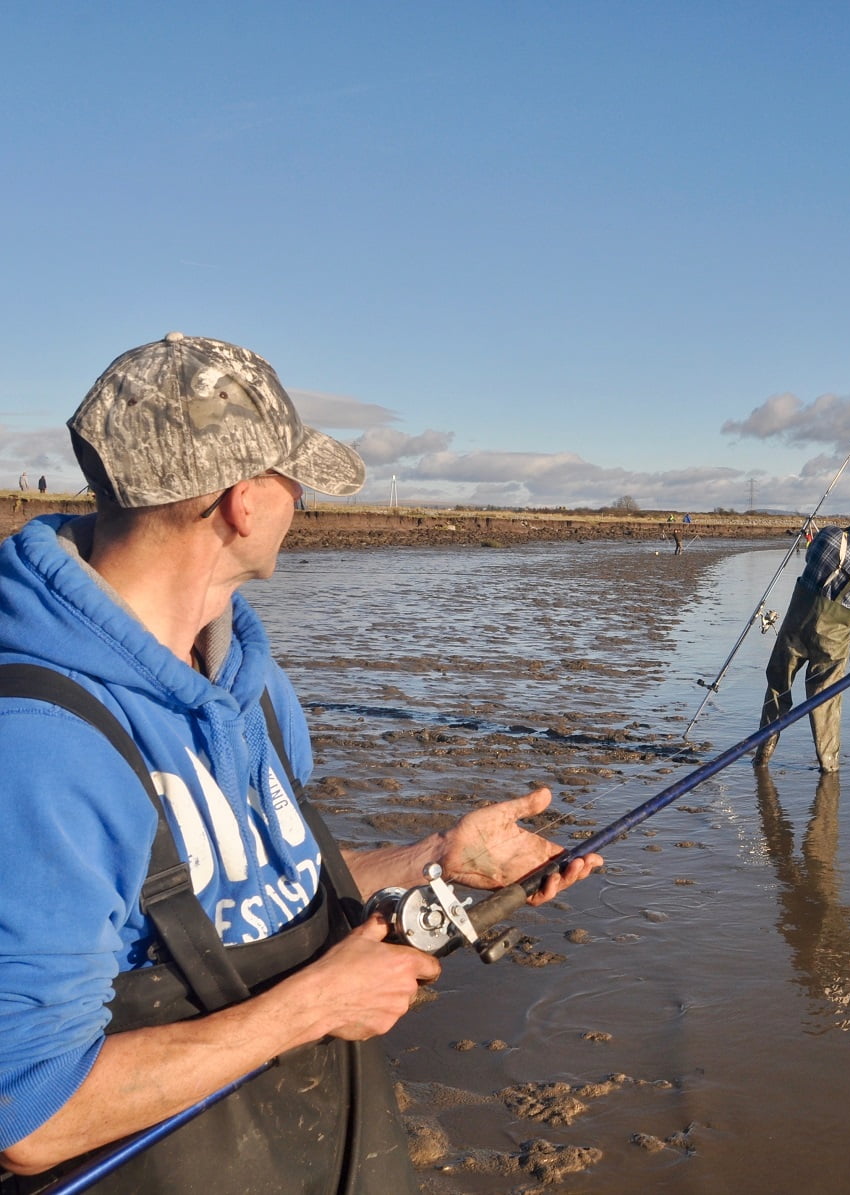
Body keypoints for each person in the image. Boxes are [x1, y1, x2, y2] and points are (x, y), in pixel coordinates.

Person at [0, 333, 597, 1193]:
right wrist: (312, 1006)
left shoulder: (255, 683)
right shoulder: (37, 739)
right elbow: (29, 1114)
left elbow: (247, 890)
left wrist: (433, 856)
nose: (302, 500)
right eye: (292, 478)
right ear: (244, 502)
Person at [753, 509, 850, 772]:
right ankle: (829, 766)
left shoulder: (830, 535)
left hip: (795, 627)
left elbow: (809, 556)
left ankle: (763, 755)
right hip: (833, 640)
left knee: (777, 687)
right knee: (826, 700)